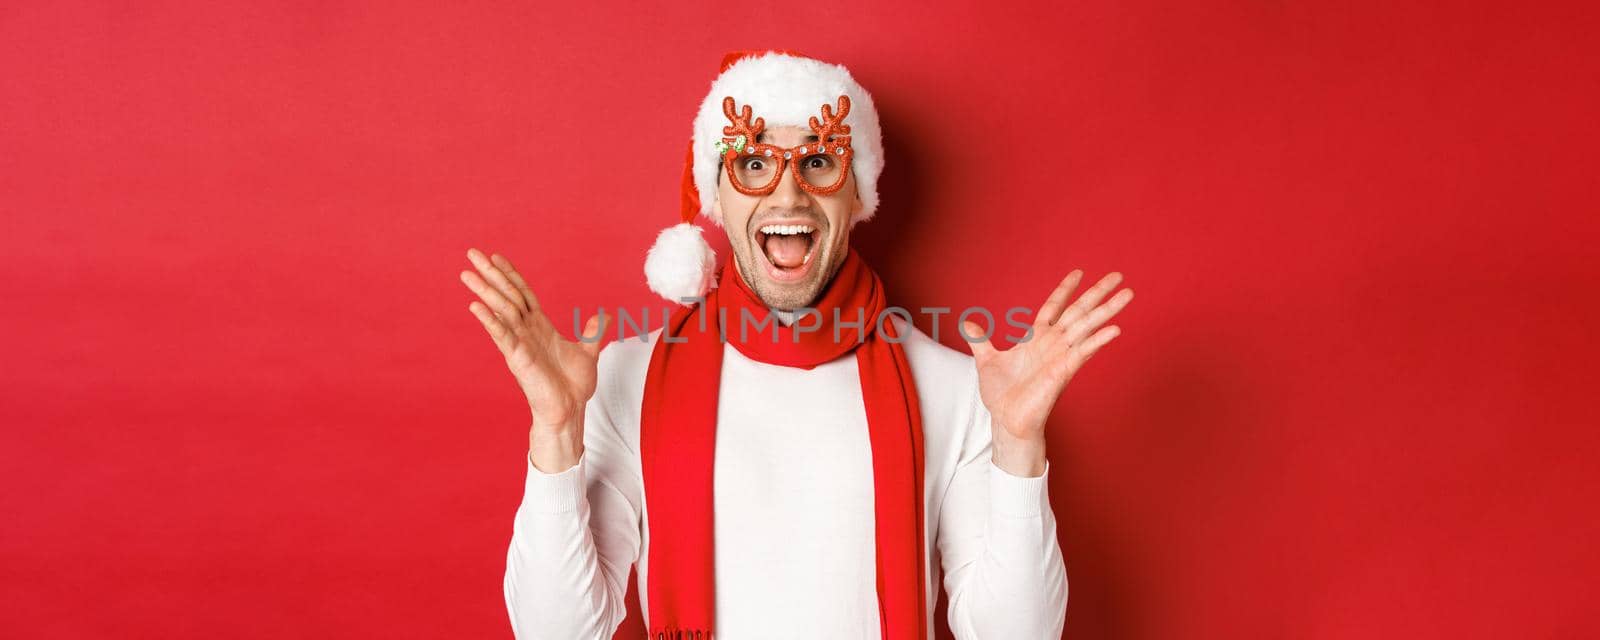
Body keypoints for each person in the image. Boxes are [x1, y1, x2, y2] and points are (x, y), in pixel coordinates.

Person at [461, 50, 1134, 640]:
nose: (788, 192)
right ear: (716, 199)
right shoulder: (625, 378)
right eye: (753, 163)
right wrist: (555, 435)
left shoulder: (957, 388)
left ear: (858, 196)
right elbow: (556, 632)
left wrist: (1017, 446)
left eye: (817, 162)